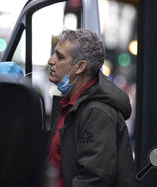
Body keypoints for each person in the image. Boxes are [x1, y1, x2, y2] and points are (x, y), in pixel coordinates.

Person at [47, 29, 136, 187]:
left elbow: (94, 180)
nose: (50, 60)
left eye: (59, 56)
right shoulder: (69, 104)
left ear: (80, 67)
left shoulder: (97, 113)